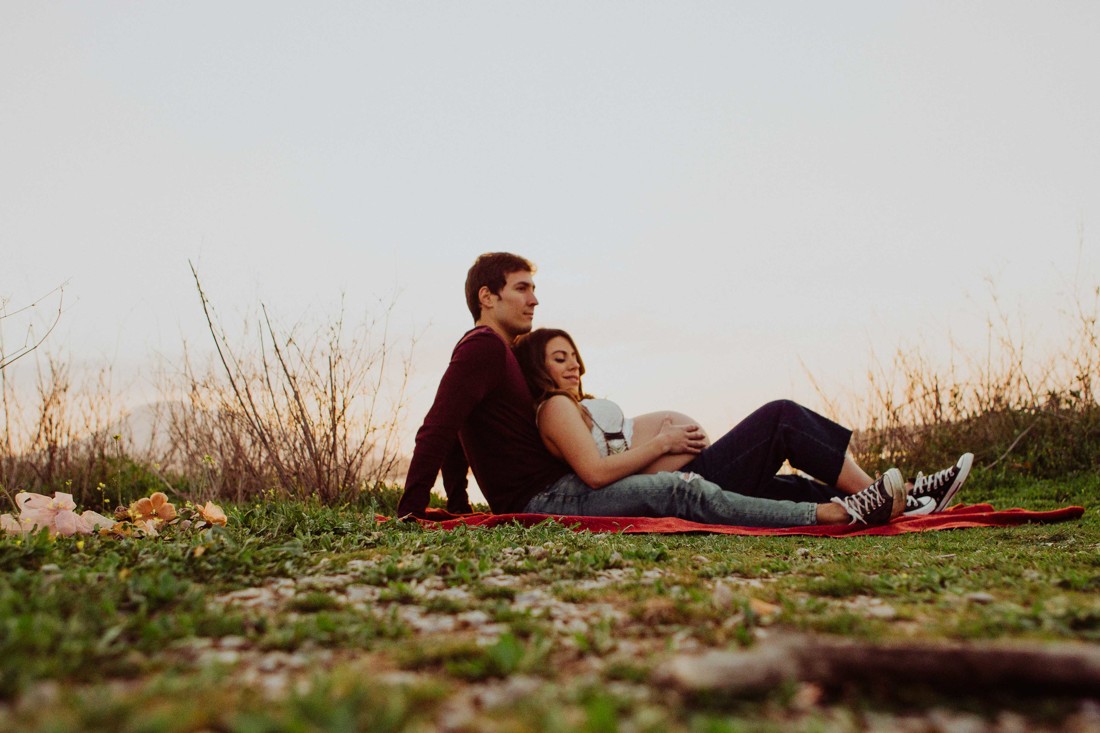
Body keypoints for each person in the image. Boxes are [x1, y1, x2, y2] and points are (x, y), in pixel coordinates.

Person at [397, 252, 968, 528]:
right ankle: (871, 507)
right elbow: (440, 426)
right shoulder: (482, 347)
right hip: (548, 497)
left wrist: (454, 502)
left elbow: (459, 436)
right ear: (487, 297)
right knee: (772, 425)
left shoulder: (500, 359)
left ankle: (902, 497)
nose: (534, 299)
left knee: (777, 468)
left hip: (553, 489)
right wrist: (411, 507)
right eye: (522, 289)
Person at [511, 327, 974, 523]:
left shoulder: (578, 404)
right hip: (696, 479)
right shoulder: (554, 408)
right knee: (781, 418)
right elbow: (596, 473)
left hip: (698, 469)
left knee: (795, 489)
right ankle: (886, 493)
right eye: (559, 358)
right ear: (538, 367)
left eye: (575, 357)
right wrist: (666, 441)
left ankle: (912, 499)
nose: (574, 366)